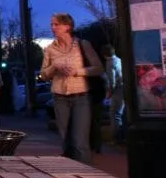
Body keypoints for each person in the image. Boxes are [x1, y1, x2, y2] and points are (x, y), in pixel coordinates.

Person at [39, 13, 104, 164]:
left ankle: (85, 173)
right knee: (66, 140)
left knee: (79, 141)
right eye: (52, 24)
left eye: (56, 24)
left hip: (81, 96)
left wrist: (77, 72)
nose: (53, 27)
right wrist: (54, 67)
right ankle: (70, 172)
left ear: (67, 26)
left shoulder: (82, 45)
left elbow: (98, 68)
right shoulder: (50, 49)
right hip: (60, 97)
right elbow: (43, 75)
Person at [102, 44, 125, 143]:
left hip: (118, 90)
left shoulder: (109, 63)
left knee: (115, 114)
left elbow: (112, 81)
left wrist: (109, 93)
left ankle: (116, 138)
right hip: (124, 88)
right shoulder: (119, 60)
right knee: (120, 113)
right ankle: (120, 136)